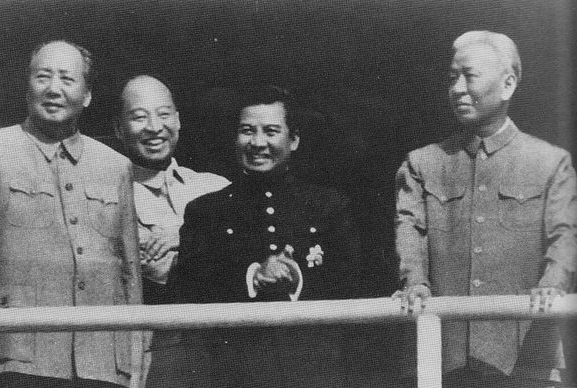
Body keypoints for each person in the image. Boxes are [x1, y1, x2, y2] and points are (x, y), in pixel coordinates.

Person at [0, 40, 142, 388]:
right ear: (27, 86)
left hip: (103, 364)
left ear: (87, 94)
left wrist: (135, 362)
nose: (53, 89)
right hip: (19, 355)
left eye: (67, 79)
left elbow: (130, 272)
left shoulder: (116, 166)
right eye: (43, 77)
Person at [393, 30, 576, 387]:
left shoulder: (550, 163)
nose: (457, 88)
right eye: (451, 78)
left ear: (508, 84)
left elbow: (565, 236)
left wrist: (553, 284)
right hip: (440, 358)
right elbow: (410, 231)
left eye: (469, 76)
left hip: (526, 360)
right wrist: (414, 283)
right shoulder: (422, 164)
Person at [167, 85, 364, 387]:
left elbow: (352, 281)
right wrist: (252, 276)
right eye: (247, 131)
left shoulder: (328, 207)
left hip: (313, 370)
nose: (258, 143)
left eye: (271, 131)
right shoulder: (206, 212)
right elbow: (189, 287)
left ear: (293, 139)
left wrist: (296, 276)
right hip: (235, 372)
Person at [113, 74, 229, 387]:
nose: (154, 127)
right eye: (139, 117)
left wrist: (182, 236)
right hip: (145, 359)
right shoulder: (107, 198)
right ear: (118, 128)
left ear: (178, 120)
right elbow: (150, 270)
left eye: (164, 114)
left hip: (221, 354)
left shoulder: (216, 187)